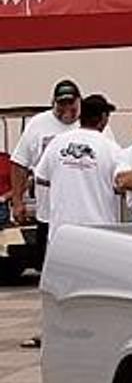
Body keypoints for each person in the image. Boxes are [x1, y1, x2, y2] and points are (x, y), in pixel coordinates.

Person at [19, 95, 120, 350]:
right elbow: (122, 183)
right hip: (98, 232)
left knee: (59, 286)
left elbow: (40, 178)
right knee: (97, 286)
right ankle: (97, 333)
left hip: (62, 232)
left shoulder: (58, 143)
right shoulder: (110, 147)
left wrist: (69, 177)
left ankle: (55, 333)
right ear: (103, 119)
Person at [10, 79, 82, 271]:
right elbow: (19, 163)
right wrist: (17, 202)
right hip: (48, 214)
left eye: (71, 103)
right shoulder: (38, 124)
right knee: (49, 269)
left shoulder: (90, 123)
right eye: (61, 104)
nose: (67, 108)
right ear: (53, 103)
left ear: (79, 102)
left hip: (84, 214)